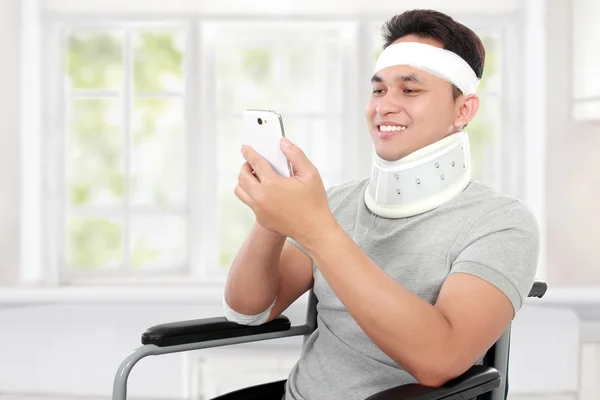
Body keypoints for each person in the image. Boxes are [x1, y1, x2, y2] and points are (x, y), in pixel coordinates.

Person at [223, 9, 539, 400]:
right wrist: (271, 218)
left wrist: (317, 229)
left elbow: (439, 361)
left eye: (410, 90)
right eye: (378, 90)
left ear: (463, 110)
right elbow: (250, 309)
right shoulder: (335, 203)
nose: (384, 106)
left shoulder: (501, 222)